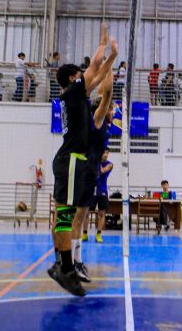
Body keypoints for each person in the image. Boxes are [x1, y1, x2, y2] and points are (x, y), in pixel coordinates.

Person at [47, 22, 114, 296]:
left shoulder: (76, 99)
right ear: (73, 79)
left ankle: (63, 266)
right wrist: (103, 45)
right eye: (80, 75)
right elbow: (95, 69)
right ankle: (64, 266)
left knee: (65, 215)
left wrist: (111, 58)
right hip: (72, 159)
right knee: (64, 215)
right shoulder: (73, 92)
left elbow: (99, 77)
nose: (85, 77)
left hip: (73, 160)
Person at [72, 41, 118, 282]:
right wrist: (110, 61)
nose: (111, 111)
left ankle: (74, 261)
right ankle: (72, 262)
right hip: (87, 169)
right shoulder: (97, 119)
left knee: (78, 217)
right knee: (78, 216)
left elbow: (102, 93)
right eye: (109, 110)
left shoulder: (89, 120)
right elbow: (107, 94)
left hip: (81, 166)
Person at [82, 149, 113, 243]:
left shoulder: (110, 164)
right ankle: (84, 234)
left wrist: (96, 162)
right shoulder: (93, 162)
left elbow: (102, 171)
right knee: (86, 213)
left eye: (107, 153)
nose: (105, 155)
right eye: (104, 152)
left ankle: (99, 234)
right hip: (91, 190)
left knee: (101, 214)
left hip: (102, 191)